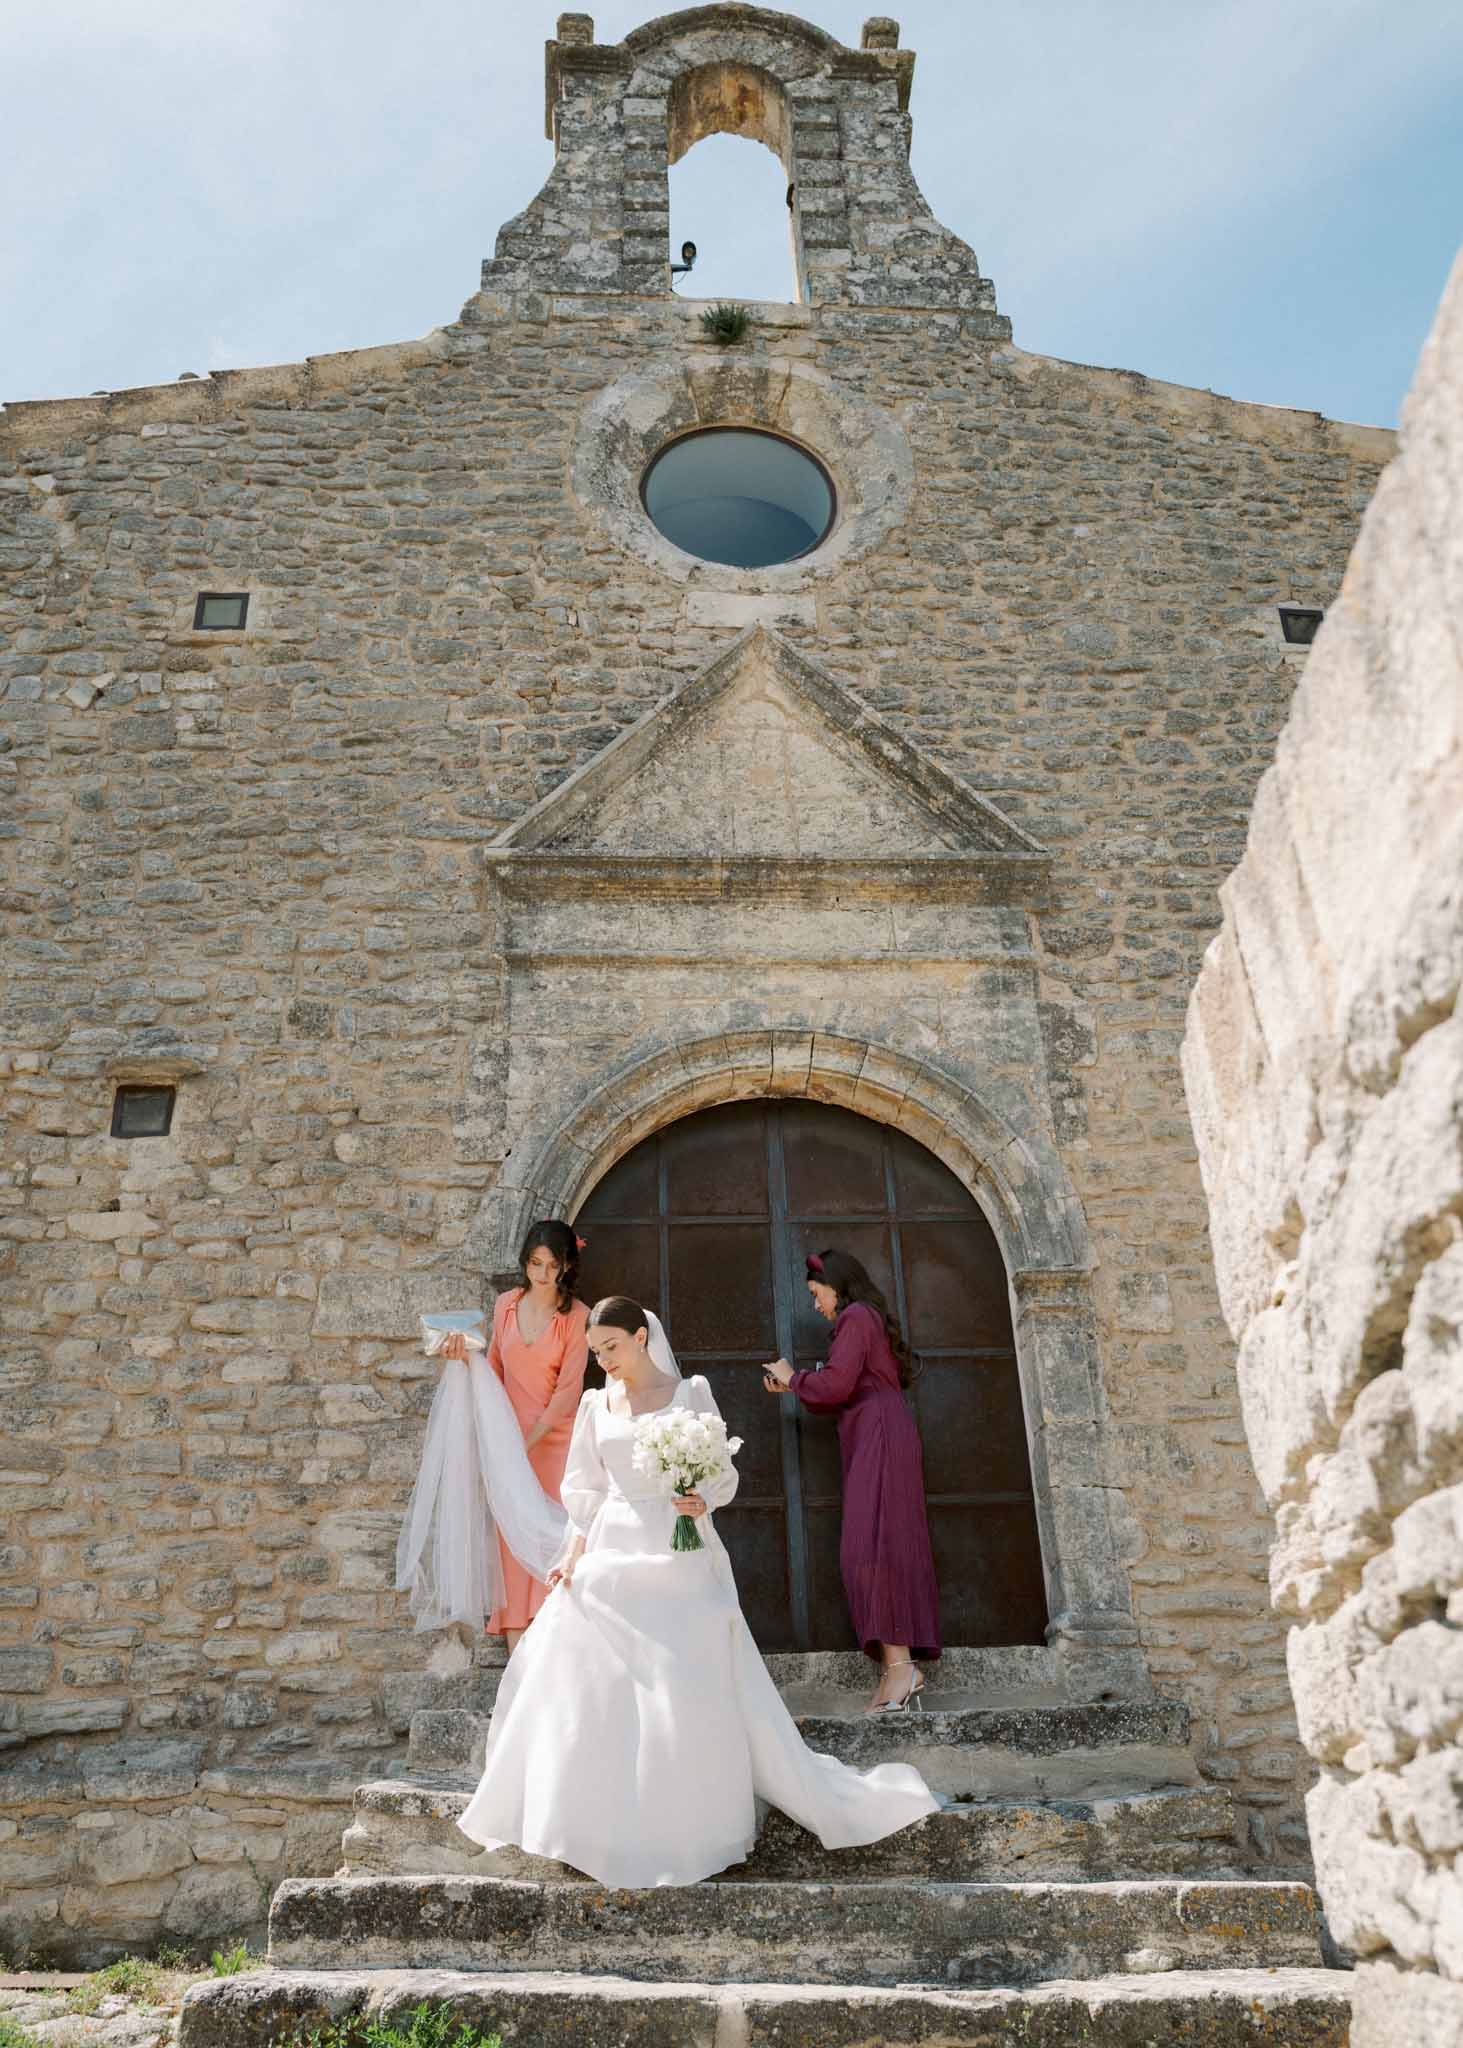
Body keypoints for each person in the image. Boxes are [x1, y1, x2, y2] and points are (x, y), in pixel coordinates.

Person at [456, 1296, 938, 1889]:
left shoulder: (691, 1396)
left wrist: (701, 1499)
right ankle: (590, 1819)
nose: (603, 1360)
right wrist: (571, 1559)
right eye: (595, 1351)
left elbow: (723, 1477)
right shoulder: (593, 1404)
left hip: (680, 1550)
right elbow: (583, 1494)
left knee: (679, 1680)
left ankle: (682, 1824)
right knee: (584, 1670)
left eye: (611, 1346)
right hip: (611, 1550)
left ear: (640, 1336)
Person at [762, 1249, 941, 1713]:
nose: (815, 1303)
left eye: (815, 1293)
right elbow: (841, 1387)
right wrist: (798, 1385)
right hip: (875, 1435)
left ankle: (902, 1669)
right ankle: (896, 1668)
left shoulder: (856, 1316)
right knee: (872, 1547)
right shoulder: (861, 1320)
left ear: (836, 1286)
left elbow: (837, 1385)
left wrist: (792, 1375)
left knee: (875, 1548)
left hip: (880, 1436)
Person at [439, 1220, 588, 1653]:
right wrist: (464, 1360)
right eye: (534, 1264)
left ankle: (559, 1652)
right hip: (509, 1436)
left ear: (566, 1267)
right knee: (512, 1538)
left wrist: (525, 1445)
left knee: (554, 1538)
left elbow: (568, 1392)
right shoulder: (506, 1304)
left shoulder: (577, 1317)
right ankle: (519, 1659)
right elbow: (496, 1372)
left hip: (555, 1443)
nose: (541, 1274)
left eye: (551, 1266)